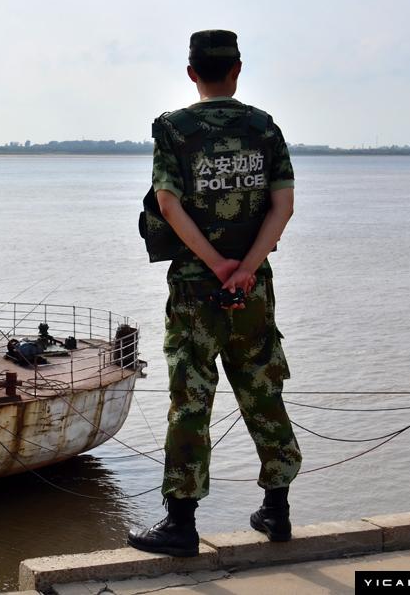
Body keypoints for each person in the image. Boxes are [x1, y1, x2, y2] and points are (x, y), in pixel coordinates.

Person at [128, 30, 303, 557]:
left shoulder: (174, 130)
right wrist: (245, 269)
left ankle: (181, 524)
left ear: (191, 73)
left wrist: (214, 264)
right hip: (252, 290)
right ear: (238, 69)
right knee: (263, 390)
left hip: (194, 291)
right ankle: (276, 512)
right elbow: (283, 206)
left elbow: (168, 201)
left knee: (190, 399)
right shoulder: (263, 127)